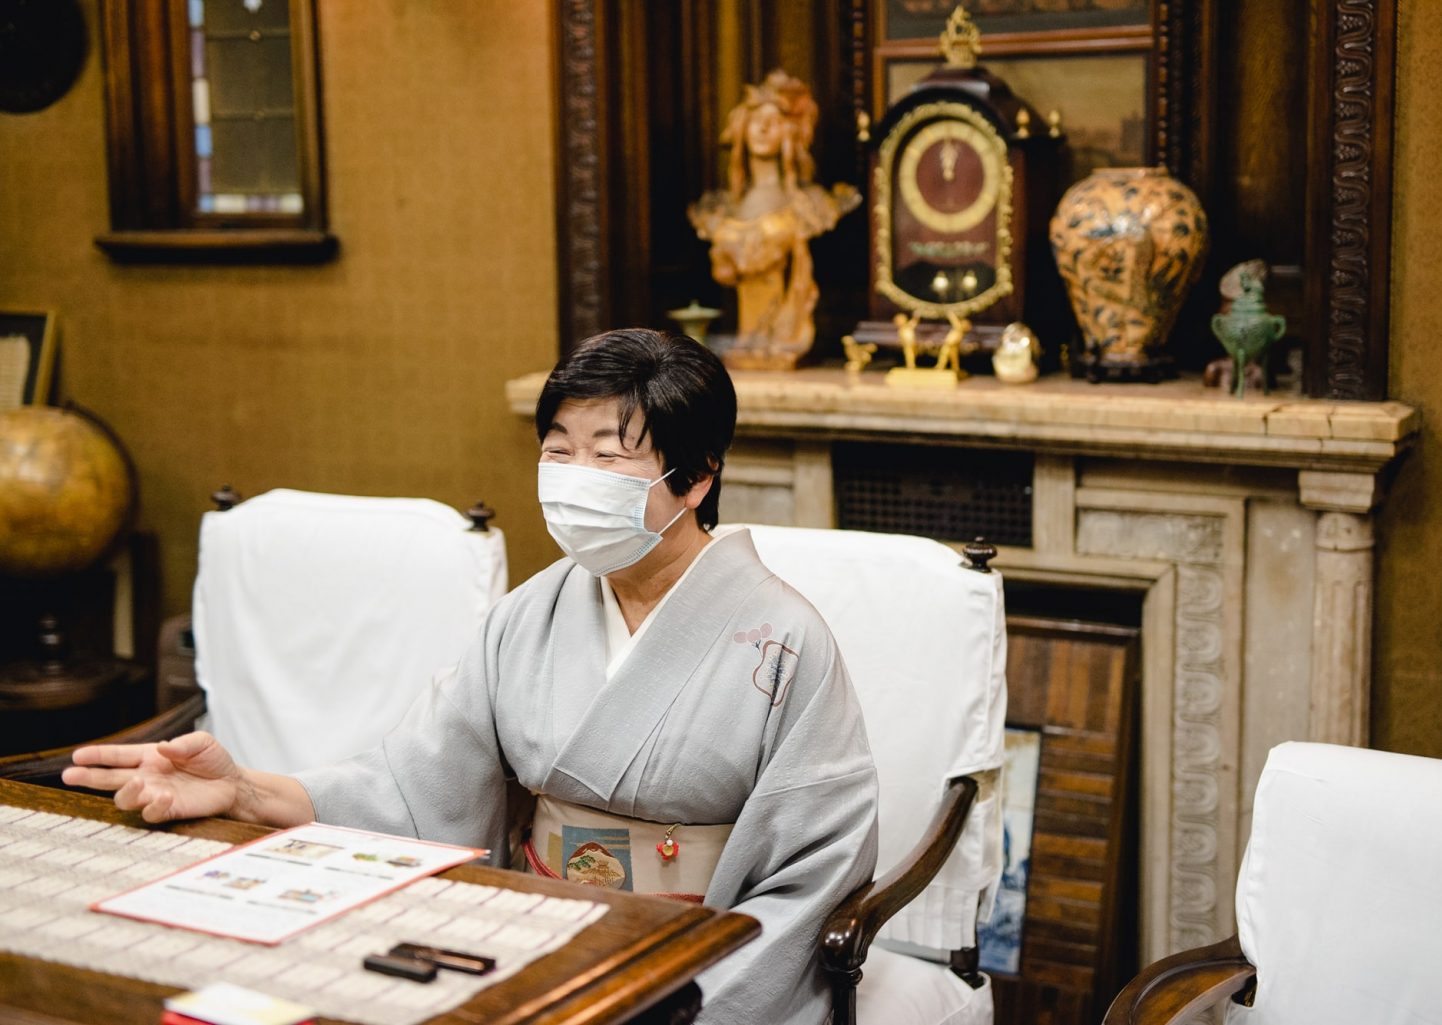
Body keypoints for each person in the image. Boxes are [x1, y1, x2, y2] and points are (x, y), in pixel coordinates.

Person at [64, 328, 879, 1025]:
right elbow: (411, 783)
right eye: (558, 449)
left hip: (691, 962)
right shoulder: (529, 615)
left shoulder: (785, 641)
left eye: (608, 453)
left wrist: (689, 996)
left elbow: (811, 874)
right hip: (534, 934)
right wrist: (244, 790)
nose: (575, 474)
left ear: (696, 475)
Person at [687, 70, 860, 370]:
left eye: (775, 121)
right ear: (741, 127)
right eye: (756, 120)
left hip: (787, 335)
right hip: (740, 342)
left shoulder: (813, 206)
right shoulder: (717, 209)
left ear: (790, 132)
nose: (763, 129)